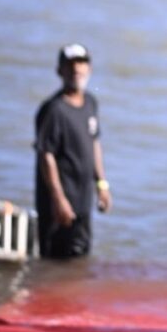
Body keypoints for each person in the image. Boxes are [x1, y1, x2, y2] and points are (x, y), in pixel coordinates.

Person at [34, 43, 112, 259]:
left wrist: (102, 185)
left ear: (90, 69)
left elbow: (94, 143)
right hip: (59, 204)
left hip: (83, 200)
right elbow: (45, 155)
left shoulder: (90, 104)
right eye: (70, 65)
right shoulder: (53, 109)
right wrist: (58, 200)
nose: (76, 69)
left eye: (81, 63)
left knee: (80, 260)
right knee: (54, 262)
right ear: (59, 71)